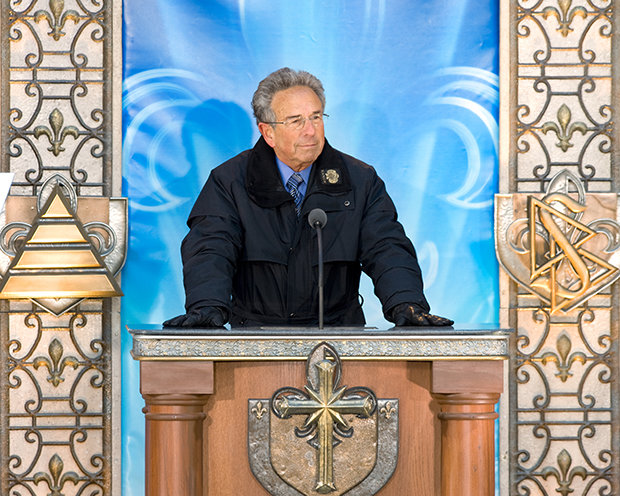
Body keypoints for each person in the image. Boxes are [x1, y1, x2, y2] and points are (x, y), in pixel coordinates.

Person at [164, 68, 453, 328]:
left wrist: (405, 301)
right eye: (296, 121)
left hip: (340, 337)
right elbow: (211, 248)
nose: (311, 131)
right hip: (256, 338)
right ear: (268, 132)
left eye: (316, 117)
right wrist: (207, 305)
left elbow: (386, 247)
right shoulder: (229, 182)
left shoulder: (360, 180)